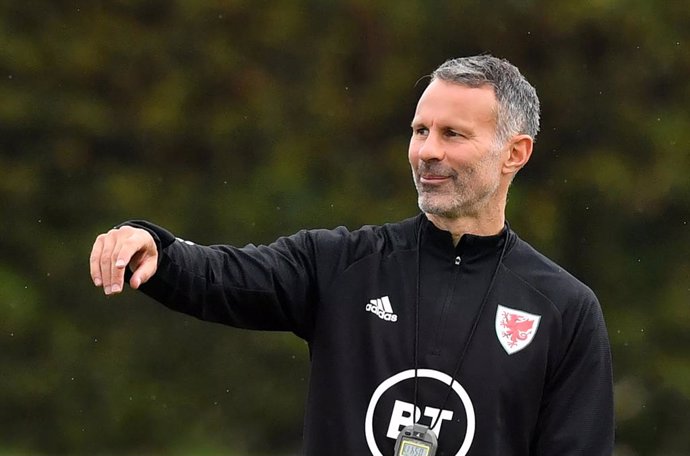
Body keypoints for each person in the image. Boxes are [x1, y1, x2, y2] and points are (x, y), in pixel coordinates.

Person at [90, 55, 614, 455]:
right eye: (420, 131)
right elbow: (226, 276)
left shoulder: (563, 308)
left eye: (453, 134)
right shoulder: (341, 265)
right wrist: (156, 247)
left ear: (515, 154)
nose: (427, 150)